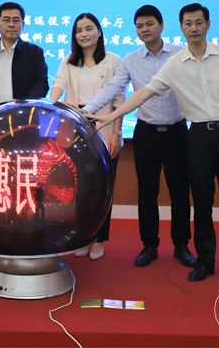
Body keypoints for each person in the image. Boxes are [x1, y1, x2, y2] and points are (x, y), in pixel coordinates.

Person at [88, 3, 219, 284]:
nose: (193, 28)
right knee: (201, 202)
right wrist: (108, 116)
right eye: (188, 23)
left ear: (208, 24)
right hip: (195, 136)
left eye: (198, 23)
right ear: (181, 27)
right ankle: (205, 260)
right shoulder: (173, 64)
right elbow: (142, 94)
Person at [82, 5, 195, 268]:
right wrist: (88, 110)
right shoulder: (131, 60)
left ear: (161, 26)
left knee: (180, 191)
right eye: (139, 26)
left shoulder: (180, 54)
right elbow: (112, 88)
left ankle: (181, 245)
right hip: (146, 133)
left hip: (177, 132)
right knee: (147, 191)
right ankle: (149, 245)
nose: (144, 29)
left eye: (149, 24)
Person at [50, 13, 125, 261]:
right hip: (74, 128)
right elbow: (58, 85)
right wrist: (50, 102)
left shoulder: (113, 60)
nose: (84, 34)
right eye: (79, 30)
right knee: (78, 187)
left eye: (89, 28)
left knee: (103, 188)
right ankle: (83, 236)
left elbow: (119, 101)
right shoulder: (69, 61)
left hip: (104, 128)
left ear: (99, 31)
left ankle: (99, 239)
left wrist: (116, 133)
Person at [0, 2, 49, 102]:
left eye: (16, 20)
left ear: (23, 24)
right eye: (6, 20)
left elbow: (42, 84)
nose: (11, 24)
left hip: (25, 111)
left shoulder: (35, 52)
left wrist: (24, 105)